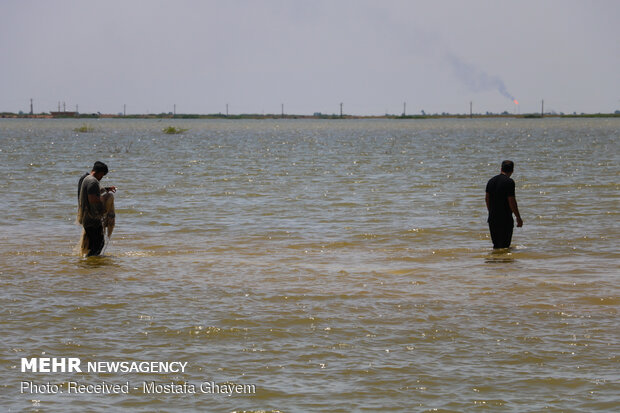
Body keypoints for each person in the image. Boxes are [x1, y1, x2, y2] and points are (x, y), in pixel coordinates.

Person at [77, 161, 117, 256]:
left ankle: (89, 264)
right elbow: (93, 199)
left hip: (87, 218)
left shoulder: (86, 178)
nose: (101, 177)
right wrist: (105, 201)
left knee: (93, 244)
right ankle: (90, 263)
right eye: (102, 175)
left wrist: (107, 189)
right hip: (92, 219)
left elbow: (95, 192)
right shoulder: (93, 181)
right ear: (99, 172)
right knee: (99, 244)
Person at [485, 160, 523, 249]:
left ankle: (494, 261)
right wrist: (518, 217)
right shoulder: (509, 182)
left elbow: (487, 199)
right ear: (512, 170)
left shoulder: (491, 181)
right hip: (505, 219)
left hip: (492, 218)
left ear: (501, 168)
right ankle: (505, 262)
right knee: (505, 247)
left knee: (496, 246)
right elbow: (511, 201)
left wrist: (491, 212)